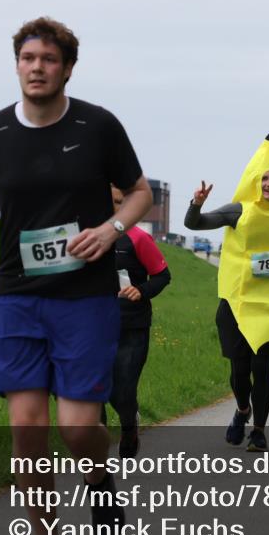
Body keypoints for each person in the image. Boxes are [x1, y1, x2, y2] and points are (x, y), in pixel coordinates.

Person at [0, 17, 153, 535]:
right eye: (28, 58)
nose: (37, 68)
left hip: (84, 299)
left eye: (49, 60)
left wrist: (110, 230)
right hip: (17, 297)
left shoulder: (98, 125)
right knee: (27, 430)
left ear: (67, 68)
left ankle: (100, 479)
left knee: (79, 427)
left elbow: (140, 193)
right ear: (16, 64)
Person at [184, 134, 269, 453]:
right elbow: (194, 224)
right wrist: (197, 203)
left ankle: (259, 430)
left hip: (268, 306)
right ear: (255, 180)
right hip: (235, 303)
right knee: (239, 372)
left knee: (262, 369)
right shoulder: (239, 210)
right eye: (265, 178)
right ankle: (242, 409)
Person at [103, 186, 171, 458]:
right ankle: (95, 449)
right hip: (93, 328)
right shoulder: (86, 237)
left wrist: (140, 290)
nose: (113, 207)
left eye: (119, 202)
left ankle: (129, 426)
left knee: (123, 390)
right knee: (99, 389)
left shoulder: (138, 238)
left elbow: (162, 276)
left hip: (132, 327)